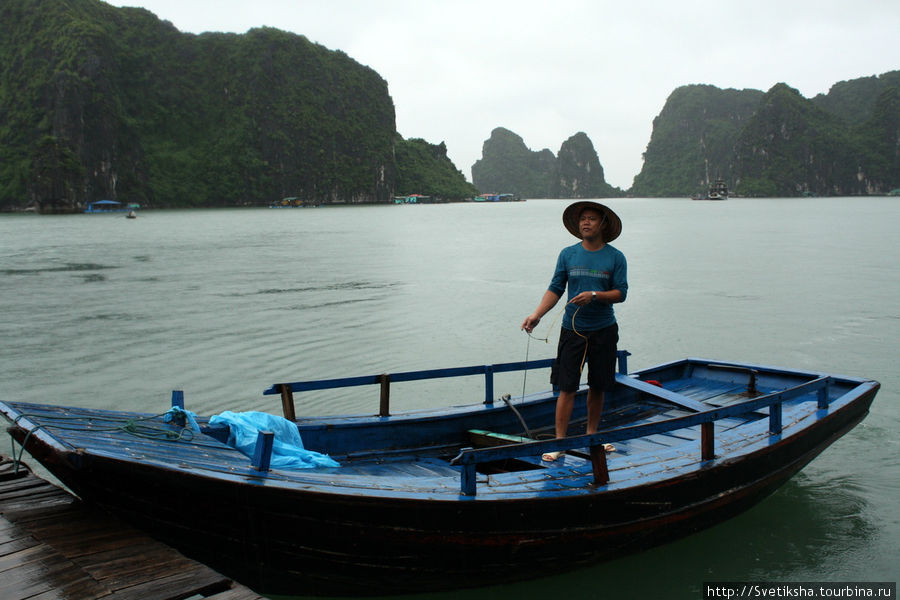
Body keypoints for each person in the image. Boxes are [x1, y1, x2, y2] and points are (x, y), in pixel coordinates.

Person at [521, 201, 627, 461]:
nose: (586, 223)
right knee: (566, 386)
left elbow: (620, 293)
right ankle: (559, 442)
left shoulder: (615, 257)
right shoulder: (568, 254)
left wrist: (594, 295)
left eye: (591, 219)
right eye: (582, 219)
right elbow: (556, 288)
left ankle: (592, 436)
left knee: (598, 385)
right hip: (573, 330)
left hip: (603, 329)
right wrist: (537, 315)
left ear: (603, 224)